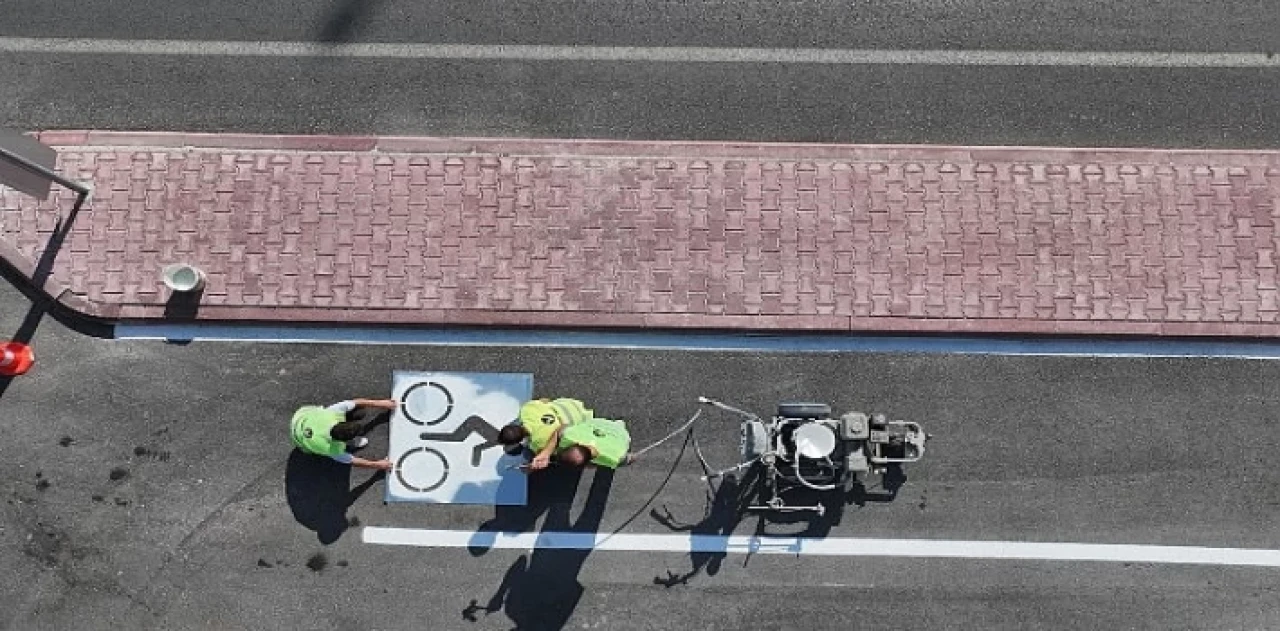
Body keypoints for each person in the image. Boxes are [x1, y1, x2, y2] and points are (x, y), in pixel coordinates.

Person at [290, 398, 396, 471]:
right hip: (300, 440)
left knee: (359, 412)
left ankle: (351, 441)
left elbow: (356, 402)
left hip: (300, 417)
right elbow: (354, 461)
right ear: (342, 441)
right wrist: (378, 465)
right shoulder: (332, 450)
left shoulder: (331, 414)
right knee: (357, 413)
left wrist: (382, 403)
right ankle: (351, 444)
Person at [498, 398, 593, 471]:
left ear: (519, 441)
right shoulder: (526, 409)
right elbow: (545, 400)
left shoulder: (537, 443)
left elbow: (550, 451)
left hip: (581, 421)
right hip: (571, 405)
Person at [556, 417, 637, 470]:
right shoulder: (568, 435)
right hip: (599, 422)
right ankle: (617, 422)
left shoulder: (614, 457)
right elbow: (563, 426)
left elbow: (631, 458)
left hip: (621, 434)